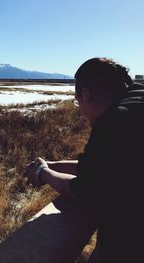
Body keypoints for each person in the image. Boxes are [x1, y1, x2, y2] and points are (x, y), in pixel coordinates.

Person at [24, 57, 144, 262]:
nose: (79, 109)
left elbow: (84, 190)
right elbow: (102, 169)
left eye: (77, 100)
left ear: (86, 94)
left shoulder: (113, 122)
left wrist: (42, 173)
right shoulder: (136, 100)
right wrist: (52, 165)